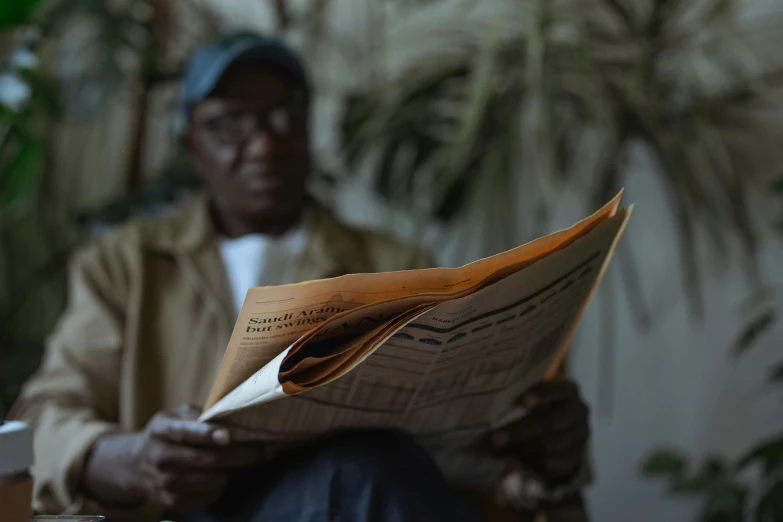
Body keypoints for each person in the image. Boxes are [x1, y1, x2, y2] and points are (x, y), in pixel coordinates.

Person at [12, 33, 591, 522]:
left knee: (368, 470)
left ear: (308, 129)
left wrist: (548, 458)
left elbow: (467, 472)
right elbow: (41, 420)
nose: (263, 144)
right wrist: (133, 457)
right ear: (192, 146)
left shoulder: (397, 264)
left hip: (359, 498)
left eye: (283, 117)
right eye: (229, 125)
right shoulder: (123, 266)